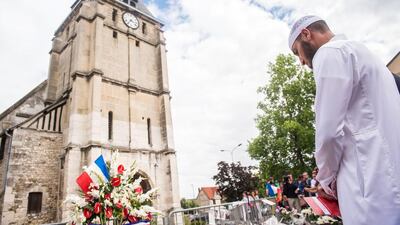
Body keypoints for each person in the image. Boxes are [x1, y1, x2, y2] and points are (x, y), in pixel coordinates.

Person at [288, 15, 400, 225]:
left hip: (369, 188)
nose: (301, 62)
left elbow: (328, 133)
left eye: (297, 52)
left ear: (306, 34)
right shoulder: (363, 52)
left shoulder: (329, 53)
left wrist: (325, 180)